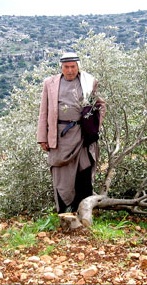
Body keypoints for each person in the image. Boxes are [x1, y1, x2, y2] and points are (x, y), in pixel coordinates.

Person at [37, 52, 106, 213]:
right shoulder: (50, 83)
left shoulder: (89, 82)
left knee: (83, 172)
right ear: (61, 67)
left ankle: (82, 212)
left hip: (82, 135)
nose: (70, 70)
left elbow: (101, 104)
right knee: (60, 175)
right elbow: (43, 112)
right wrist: (42, 138)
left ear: (78, 66)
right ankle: (64, 213)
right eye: (66, 67)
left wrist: (94, 125)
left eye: (73, 66)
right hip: (59, 136)